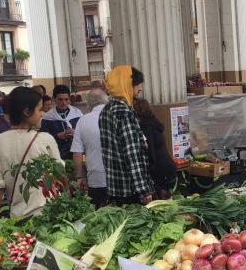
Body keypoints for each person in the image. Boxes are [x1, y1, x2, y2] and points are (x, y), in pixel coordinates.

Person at [0, 87, 62, 221]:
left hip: (18, 217)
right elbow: (60, 175)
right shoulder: (45, 139)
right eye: (39, 110)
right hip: (49, 214)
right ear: (27, 111)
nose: (42, 114)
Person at [100, 65, 155, 206]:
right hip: (130, 190)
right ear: (126, 84)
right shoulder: (123, 113)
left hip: (114, 186)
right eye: (137, 84)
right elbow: (132, 154)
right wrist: (143, 190)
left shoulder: (106, 109)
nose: (140, 88)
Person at [133, 97, 177, 198]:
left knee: (162, 204)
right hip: (168, 169)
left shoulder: (145, 127)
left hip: (161, 172)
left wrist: (149, 176)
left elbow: (151, 154)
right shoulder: (154, 123)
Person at [71, 88, 108, 207]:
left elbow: (77, 153)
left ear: (89, 104)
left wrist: (79, 177)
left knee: (99, 217)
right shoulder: (119, 116)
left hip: (96, 179)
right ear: (106, 101)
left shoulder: (83, 121)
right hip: (120, 178)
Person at [40, 84, 82, 160]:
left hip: (76, 153)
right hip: (56, 154)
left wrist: (76, 133)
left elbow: (85, 133)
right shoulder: (47, 118)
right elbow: (43, 139)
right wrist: (57, 136)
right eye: (60, 99)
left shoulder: (77, 114)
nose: (64, 103)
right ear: (54, 99)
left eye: (66, 99)